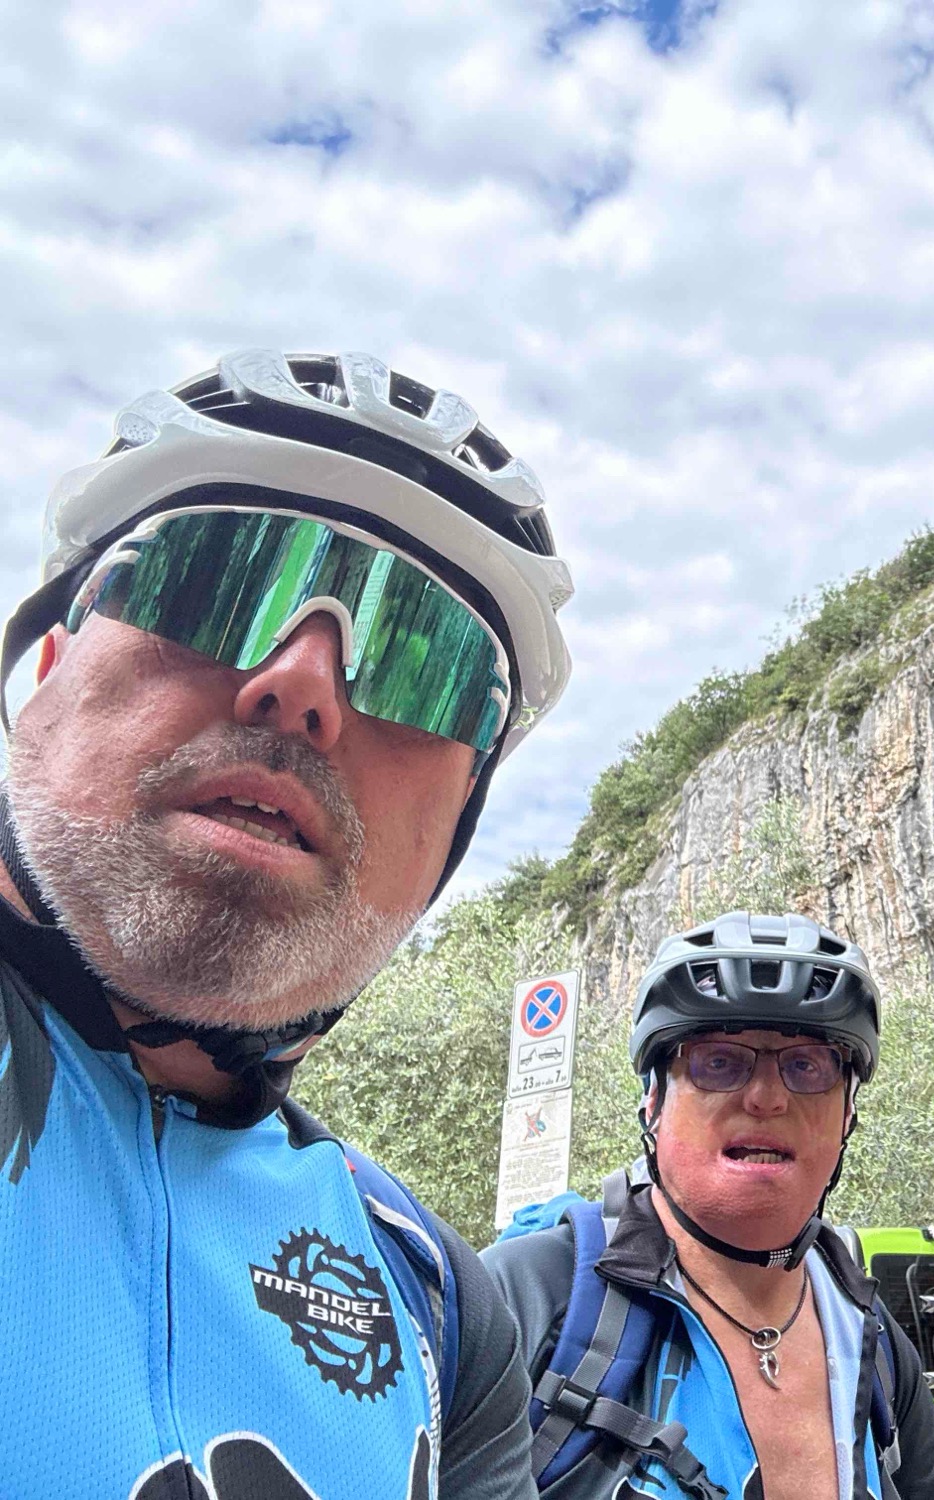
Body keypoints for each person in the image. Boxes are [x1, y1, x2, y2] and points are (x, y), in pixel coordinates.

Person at [0, 350, 575, 1500]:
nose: (301, 684)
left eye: (423, 661)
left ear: (455, 831)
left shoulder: (441, 1307)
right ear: (49, 668)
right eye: (213, 578)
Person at [483, 910, 934, 1500]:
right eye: (718, 1061)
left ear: (847, 1114)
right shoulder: (529, 1295)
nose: (766, 1097)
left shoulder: (871, 1339)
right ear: (654, 1101)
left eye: (807, 1066)